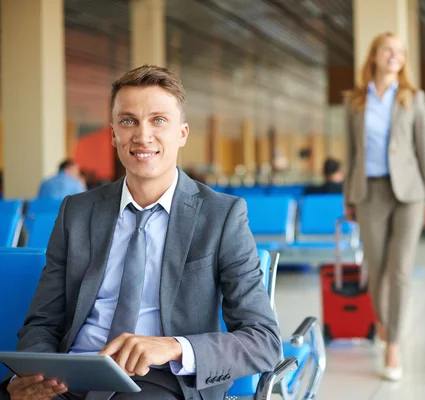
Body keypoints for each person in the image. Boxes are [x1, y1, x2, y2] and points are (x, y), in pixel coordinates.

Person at [2, 65, 282, 400]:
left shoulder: (221, 216)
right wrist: (37, 376)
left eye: (158, 120)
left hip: (159, 380)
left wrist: (173, 347)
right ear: (113, 134)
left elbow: (263, 340)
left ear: (182, 133)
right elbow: (41, 323)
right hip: (69, 375)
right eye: (128, 120)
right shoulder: (76, 212)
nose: (142, 135)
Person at [343, 32, 425, 381]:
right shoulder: (355, 101)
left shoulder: (413, 98)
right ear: (374, 56)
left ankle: (393, 343)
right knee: (377, 268)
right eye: (388, 50)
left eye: (400, 51)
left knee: (400, 269)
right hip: (368, 193)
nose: (395, 56)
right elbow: (351, 153)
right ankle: (384, 322)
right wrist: (348, 198)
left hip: (409, 193)